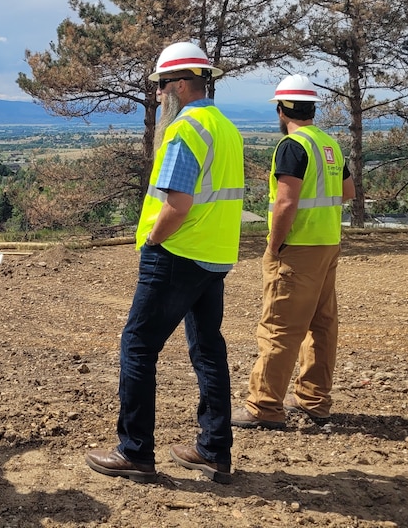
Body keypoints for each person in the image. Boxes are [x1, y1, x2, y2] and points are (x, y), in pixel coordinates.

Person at [86, 42, 244, 485]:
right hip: (214, 257)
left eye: (159, 87)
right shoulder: (226, 127)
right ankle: (214, 451)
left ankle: (135, 452)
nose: (157, 96)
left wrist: (154, 239)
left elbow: (176, 204)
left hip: (177, 254)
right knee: (208, 350)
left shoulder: (184, 130)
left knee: (137, 346)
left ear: (176, 85)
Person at [232, 74, 355, 430]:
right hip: (327, 245)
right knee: (322, 325)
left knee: (279, 327)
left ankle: (264, 406)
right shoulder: (329, 144)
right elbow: (348, 192)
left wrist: (274, 245)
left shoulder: (292, 146)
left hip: (297, 248)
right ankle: (314, 400)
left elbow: (285, 203)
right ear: (312, 107)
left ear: (283, 109)